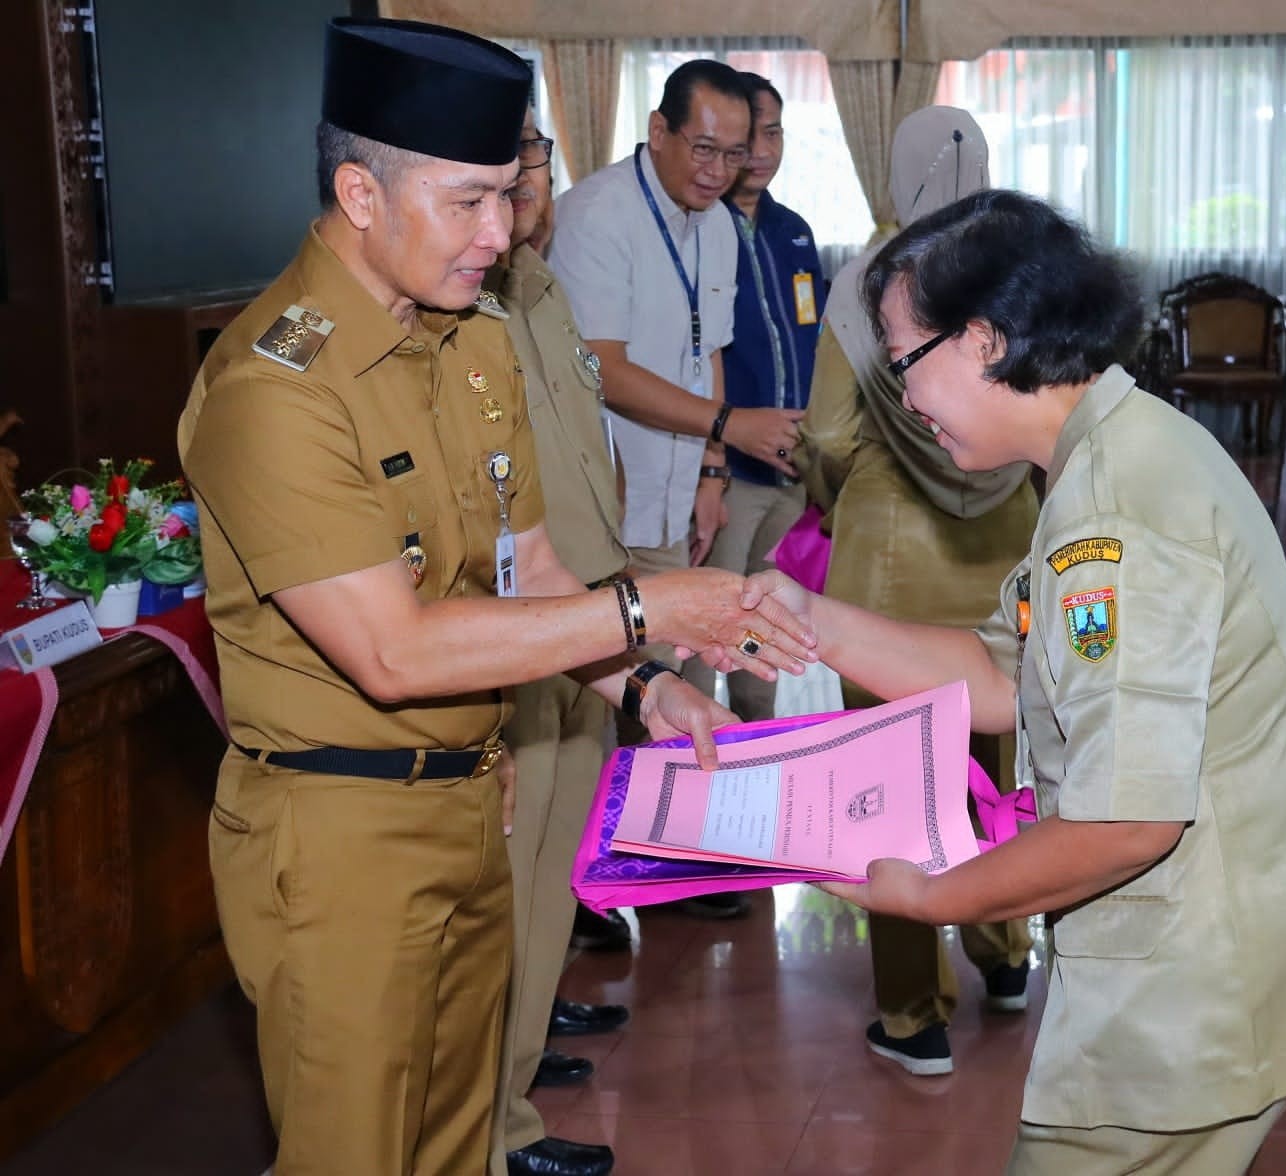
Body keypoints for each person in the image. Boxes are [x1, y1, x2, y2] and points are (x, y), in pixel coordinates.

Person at [176, 19, 814, 1175]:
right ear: (360, 194)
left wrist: (648, 687)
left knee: (464, 1145)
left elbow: (540, 574)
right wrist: (654, 611)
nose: (504, 229)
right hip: (341, 838)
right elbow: (394, 652)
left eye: (510, 192)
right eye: (468, 201)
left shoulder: (470, 342)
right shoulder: (274, 389)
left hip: (475, 802)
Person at [742, 189, 1286, 1174]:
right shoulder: (1111, 449)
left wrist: (934, 899)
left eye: (903, 365)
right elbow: (998, 675)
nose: (904, 400)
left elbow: (1124, 822)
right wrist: (810, 620)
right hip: (1224, 940)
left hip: (1195, 985)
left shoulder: (1116, 509)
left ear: (979, 342)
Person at [797, 107, 1036, 1076]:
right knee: (992, 766)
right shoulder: (1017, 278)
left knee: (890, 789)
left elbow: (822, 435)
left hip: (889, 558)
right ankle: (1006, 957)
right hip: (1005, 547)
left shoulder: (866, 281)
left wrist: (853, 486)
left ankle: (912, 1015)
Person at [552, 57, 802, 919]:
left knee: (662, 675)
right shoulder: (595, 217)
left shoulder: (721, 226)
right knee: (599, 685)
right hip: (599, 494)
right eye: (701, 147)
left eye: (733, 154)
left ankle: (668, 856)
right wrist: (729, 427)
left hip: (672, 485)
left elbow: (710, 348)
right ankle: (588, 891)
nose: (716, 169)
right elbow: (605, 371)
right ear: (655, 131)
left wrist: (712, 469)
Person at [484, 107, 624, 1176]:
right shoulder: (458, 310)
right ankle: (495, 1130)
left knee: (549, 882)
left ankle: (518, 1074)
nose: (526, 177)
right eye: (505, 159)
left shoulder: (537, 288)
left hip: (587, 623)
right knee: (512, 896)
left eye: (534, 155)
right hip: (526, 637)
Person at [686, 71, 825, 722]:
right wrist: (714, 455)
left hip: (790, 467)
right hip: (728, 471)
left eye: (773, 133)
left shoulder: (792, 230)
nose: (761, 151)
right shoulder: (698, 229)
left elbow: (812, 338)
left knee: (768, 620)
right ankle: (687, 755)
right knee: (706, 625)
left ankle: (758, 746)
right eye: (750, 137)